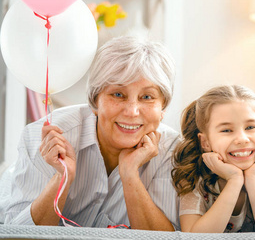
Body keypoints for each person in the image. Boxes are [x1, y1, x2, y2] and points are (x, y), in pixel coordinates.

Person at [1, 35, 180, 230]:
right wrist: (62, 178)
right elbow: (16, 234)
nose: (132, 111)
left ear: (163, 108)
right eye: (118, 94)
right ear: (95, 101)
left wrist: (130, 175)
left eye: (147, 97)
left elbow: (167, 237)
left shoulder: (172, 150)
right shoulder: (45, 137)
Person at [172, 85, 255, 233]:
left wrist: (252, 179)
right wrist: (234, 181)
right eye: (226, 130)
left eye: (250, 127)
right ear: (205, 142)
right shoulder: (194, 178)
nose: (242, 139)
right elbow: (194, 237)